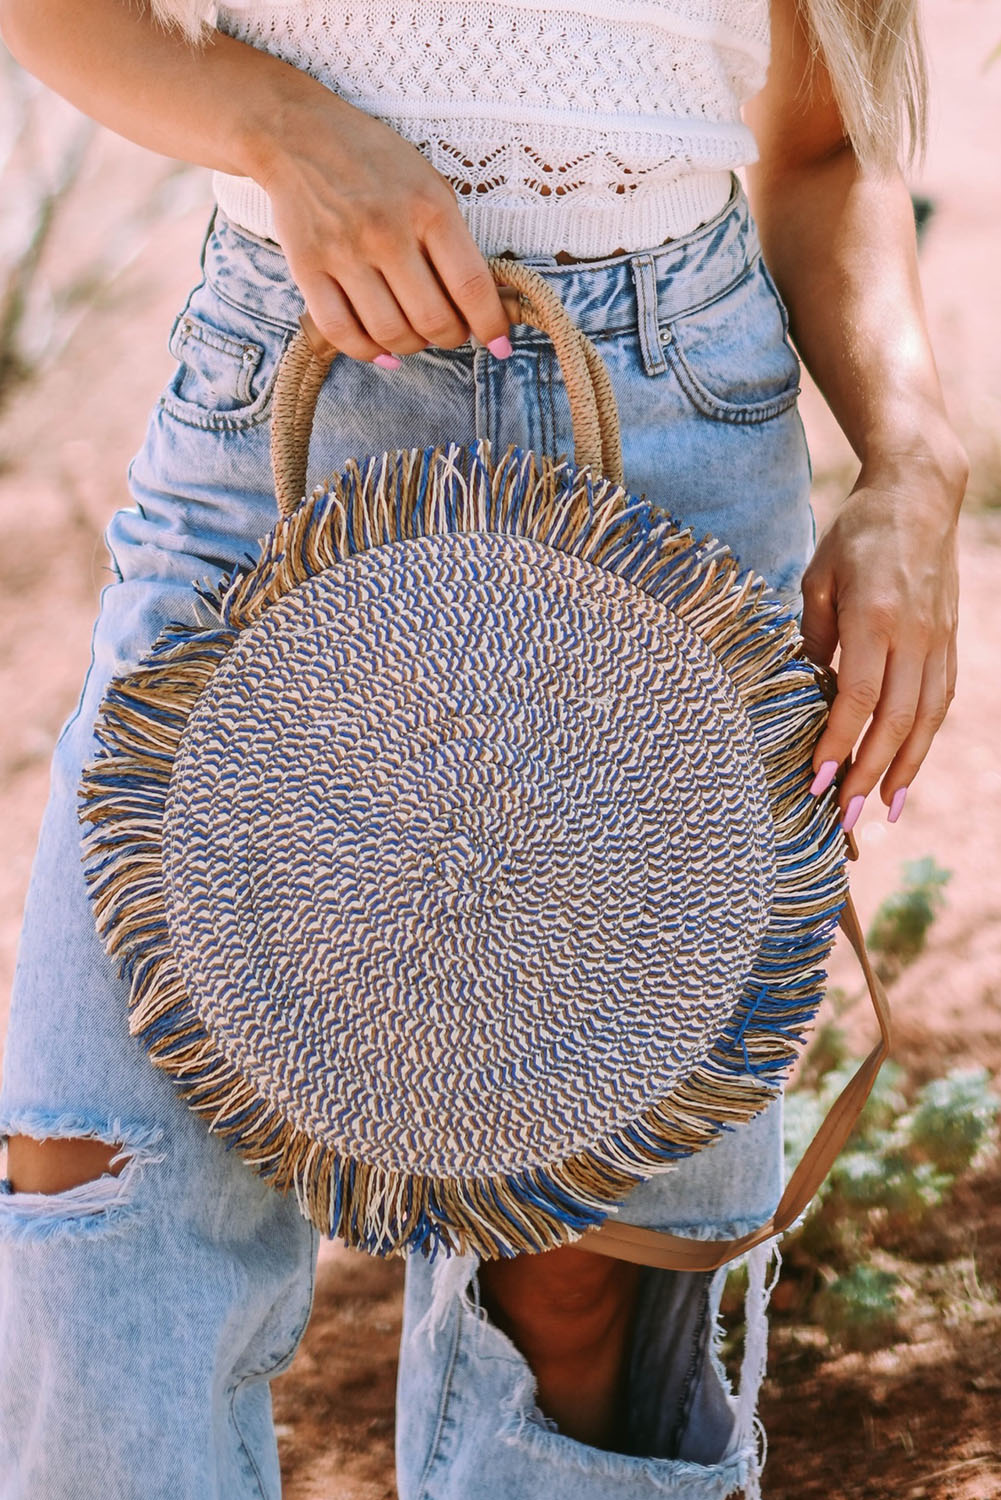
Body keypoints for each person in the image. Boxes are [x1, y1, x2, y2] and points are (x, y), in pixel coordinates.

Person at [0, 0, 966, 1495]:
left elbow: (821, 150)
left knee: (585, 1288)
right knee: (100, 1183)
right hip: (283, 420)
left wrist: (913, 463)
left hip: (666, 441)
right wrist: (281, 124)